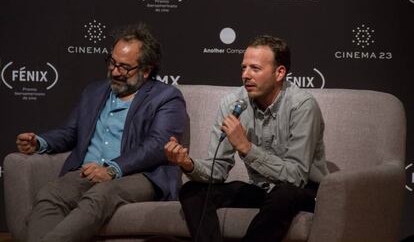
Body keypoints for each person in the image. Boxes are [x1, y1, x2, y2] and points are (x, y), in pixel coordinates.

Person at [16, 23, 188, 242]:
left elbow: (158, 144)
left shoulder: (166, 97)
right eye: (112, 63)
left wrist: (113, 169)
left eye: (125, 67)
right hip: (87, 172)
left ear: (146, 70)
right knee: (49, 194)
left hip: (139, 176)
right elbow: (71, 132)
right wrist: (40, 142)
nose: (115, 71)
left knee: (100, 195)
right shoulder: (94, 92)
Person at [165, 35, 329, 242]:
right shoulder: (233, 103)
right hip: (261, 190)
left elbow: (296, 176)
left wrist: (246, 147)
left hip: (303, 191)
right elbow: (218, 169)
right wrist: (188, 165)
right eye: (244, 68)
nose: (246, 75)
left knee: (284, 193)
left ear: (279, 73)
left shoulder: (302, 106)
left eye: (255, 69)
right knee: (192, 191)